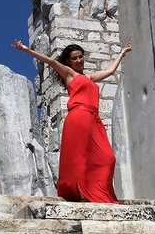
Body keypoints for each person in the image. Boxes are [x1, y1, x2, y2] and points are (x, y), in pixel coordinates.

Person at [12, 39, 131, 203]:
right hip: (79, 116)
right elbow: (51, 61)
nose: (79, 60)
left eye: (80, 57)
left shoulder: (89, 77)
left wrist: (122, 53)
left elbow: (110, 71)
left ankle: (98, 193)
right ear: (68, 61)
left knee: (108, 157)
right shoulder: (69, 74)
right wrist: (26, 50)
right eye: (74, 58)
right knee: (81, 158)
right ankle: (83, 195)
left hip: (94, 120)